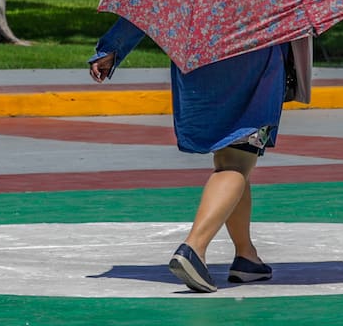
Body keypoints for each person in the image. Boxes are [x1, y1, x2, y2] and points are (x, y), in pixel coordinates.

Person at [88, 16, 290, 293]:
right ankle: (194, 247)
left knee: (227, 160)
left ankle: (247, 256)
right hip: (253, 61)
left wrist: (112, 48)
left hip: (199, 62)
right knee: (237, 162)